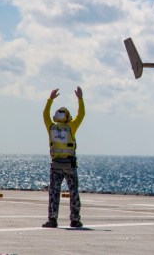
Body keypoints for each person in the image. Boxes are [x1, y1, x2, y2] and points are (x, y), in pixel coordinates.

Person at [42, 86, 85, 228]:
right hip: (69, 165)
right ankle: (75, 219)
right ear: (67, 117)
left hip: (55, 165)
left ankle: (52, 219)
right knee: (73, 193)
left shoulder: (51, 127)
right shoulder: (71, 127)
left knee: (54, 193)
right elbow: (81, 115)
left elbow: (45, 115)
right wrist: (80, 99)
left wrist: (50, 99)